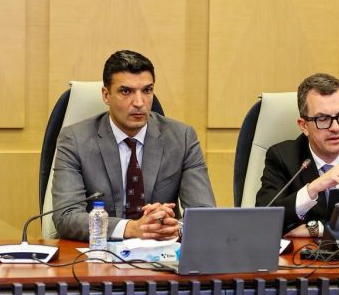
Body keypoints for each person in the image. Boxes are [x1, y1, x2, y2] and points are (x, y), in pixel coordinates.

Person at [52, 50, 216, 241]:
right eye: (126, 91)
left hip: (162, 252)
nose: (139, 102)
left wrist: (176, 228)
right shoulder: (75, 140)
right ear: (106, 95)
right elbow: (66, 217)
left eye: (147, 90)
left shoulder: (182, 138)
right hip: (99, 251)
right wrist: (131, 228)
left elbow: (204, 214)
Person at [256, 73, 339, 236]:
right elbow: (263, 220)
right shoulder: (281, 158)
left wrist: (315, 230)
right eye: (323, 119)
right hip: (299, 252)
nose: (335, 127)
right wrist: (313, 189)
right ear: (304, 126)